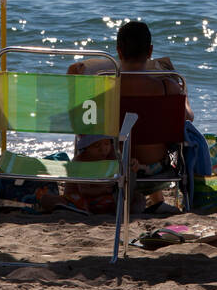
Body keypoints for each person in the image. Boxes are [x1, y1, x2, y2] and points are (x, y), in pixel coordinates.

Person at [70, 21, 194, 212]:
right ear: (150, 51)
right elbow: (188, 117)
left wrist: (76, 82)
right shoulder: (167, 86)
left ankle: (153, 200)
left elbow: (82, 123)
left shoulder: (104, 89)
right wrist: (182, 92)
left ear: (119, 52)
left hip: (116, 167)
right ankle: (157, 199)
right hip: (156, 170)